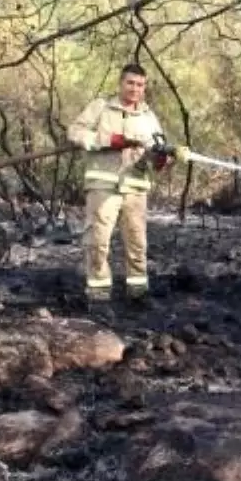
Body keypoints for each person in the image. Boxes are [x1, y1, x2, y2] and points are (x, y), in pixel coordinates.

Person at [67, 62, 180, 309]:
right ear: (120, 83)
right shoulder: (101, 107)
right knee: (97, 240)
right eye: (130, 83)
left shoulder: (149, 117)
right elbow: (75, 132)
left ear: (145, 88)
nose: (135, 89)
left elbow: (156, 153)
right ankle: (98, 294)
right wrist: (109, 140)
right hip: (103, 185)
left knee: (137, 242)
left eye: (140, 84)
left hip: (135, 187)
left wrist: (162, 158)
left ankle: (138, 292)